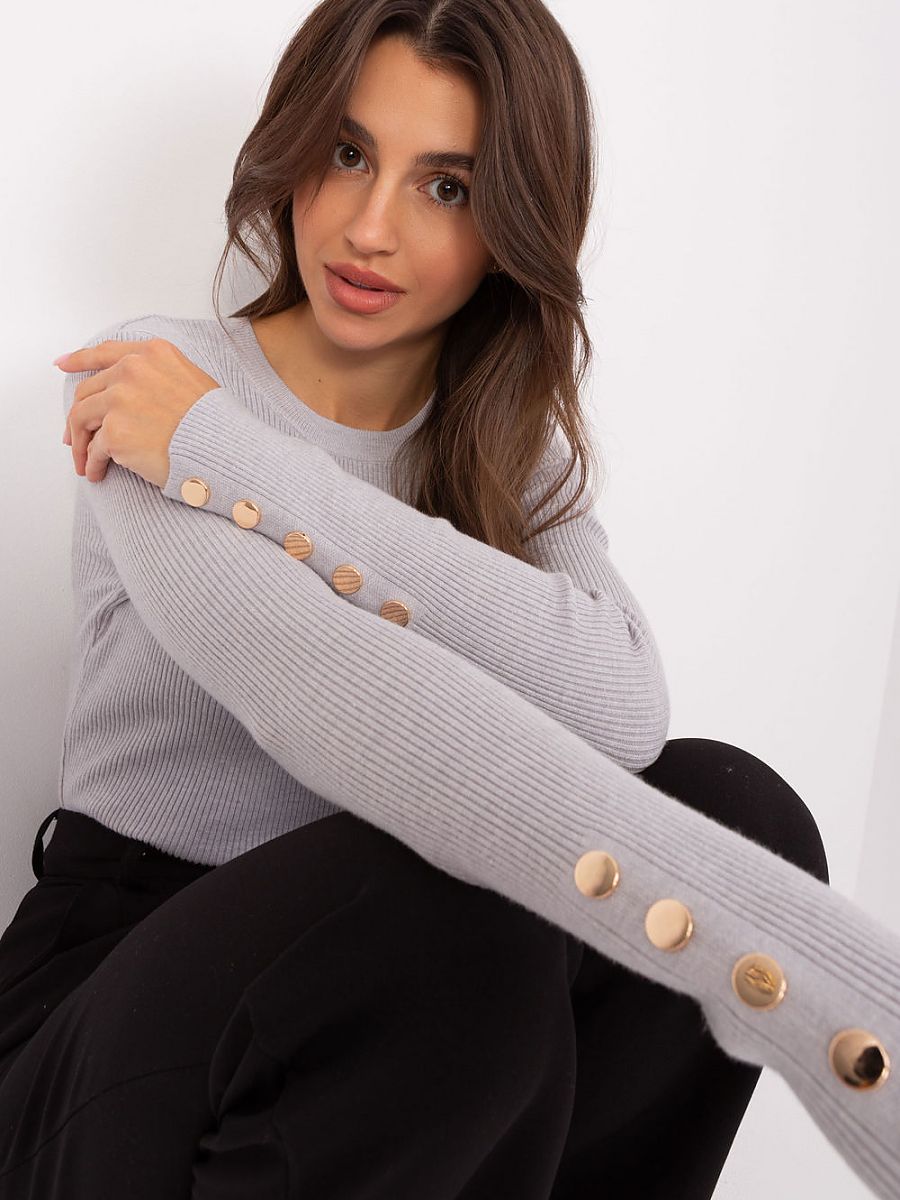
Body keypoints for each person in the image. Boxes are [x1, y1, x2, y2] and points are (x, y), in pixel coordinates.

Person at [1, 2, 897, 1197]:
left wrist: (246, 465)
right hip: (123, 1009)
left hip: (413, 1006)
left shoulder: (487, 451)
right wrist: (809, 979)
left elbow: (624, 705)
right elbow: (323, 693)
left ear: (511, 225)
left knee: (742, 808)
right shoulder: (158, 384)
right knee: (461, 916)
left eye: (446, 188)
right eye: (348, 152)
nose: (369, 228)